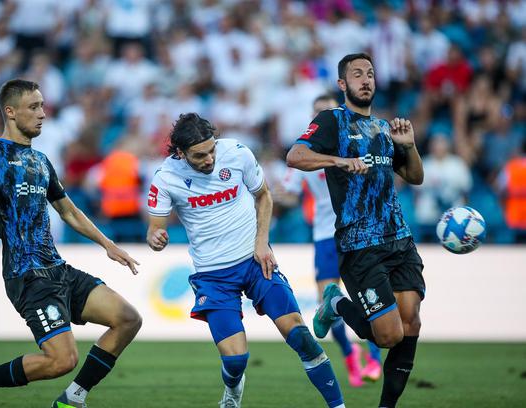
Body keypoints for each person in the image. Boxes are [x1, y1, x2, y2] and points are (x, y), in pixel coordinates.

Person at [0, 79, 142, 408]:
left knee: (128, 319)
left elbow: (69, 211)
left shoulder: (41, 161)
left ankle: (73, 398)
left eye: (42, 106)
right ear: (10, 112)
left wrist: (109, 244)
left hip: (57, 269)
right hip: (27, 276)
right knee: (62, 360)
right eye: (34, 107)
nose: (42, 114)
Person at [146, 113, 345, 408]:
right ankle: (232, 391)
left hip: (256, 262)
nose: (210, 159)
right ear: (179, 153)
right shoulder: (165, 178)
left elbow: (264, 195)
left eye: (211, 150)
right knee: (236, 359)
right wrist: (156, 238)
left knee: (301, 337)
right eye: (200, 155)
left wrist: (262, 241)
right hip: (213, 277)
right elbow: (155, 228)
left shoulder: (236, 153)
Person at [286, 53, 425, 408]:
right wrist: (339, 160)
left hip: (399, 238)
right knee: (386, 335)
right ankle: (335, 301)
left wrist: (409, 146)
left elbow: (414, 177)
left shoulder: (382, 129)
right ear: (343, 84)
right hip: (360, 243)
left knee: (410, 324)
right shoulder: (333, 120)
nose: (366, 79)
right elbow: (295, 156)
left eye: (371, 74)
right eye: (357, 74)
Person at [282, 94, 382, 388]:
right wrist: (268, 196)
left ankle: (374, 356)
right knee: (327, 302)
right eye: (317, 113)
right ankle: (351, 357)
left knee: (370, 295)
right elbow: (289, 193)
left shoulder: (356, 144)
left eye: (327, 112)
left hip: (358, 230)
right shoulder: (305, 155)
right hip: (325, 236)